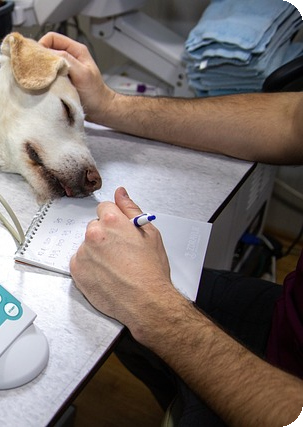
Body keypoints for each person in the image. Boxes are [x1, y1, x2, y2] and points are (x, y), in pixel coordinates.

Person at [39, 31, 303, 426]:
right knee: (111, 317)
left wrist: (153, 307)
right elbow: (290, 120)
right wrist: (110, 105)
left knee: (124, 306)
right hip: (289, 322)